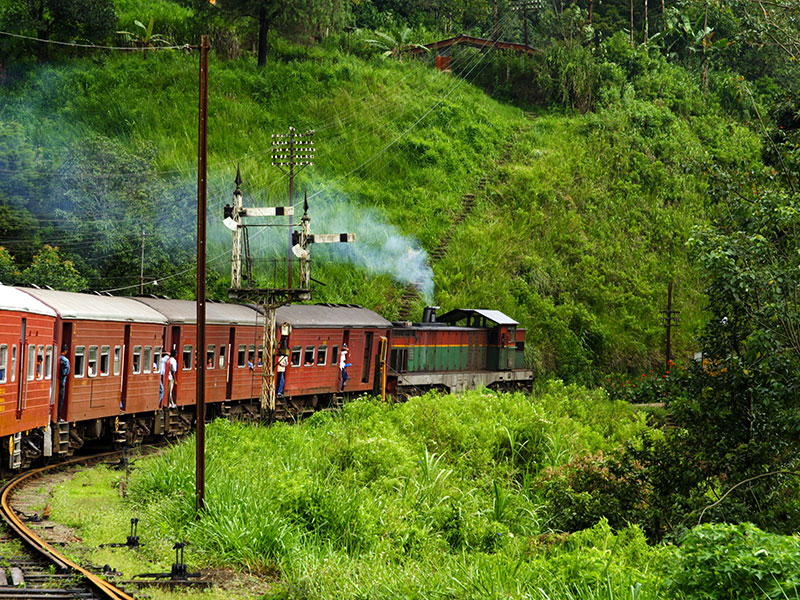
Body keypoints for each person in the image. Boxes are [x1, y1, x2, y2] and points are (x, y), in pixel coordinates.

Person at [58, 345, 70, 422]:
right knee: (60, 400)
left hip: (57, 380)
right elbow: (66, 372)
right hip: (62, 381)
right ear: (65, 351)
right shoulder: (65, 360)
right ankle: (58, 417)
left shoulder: (58, 358)